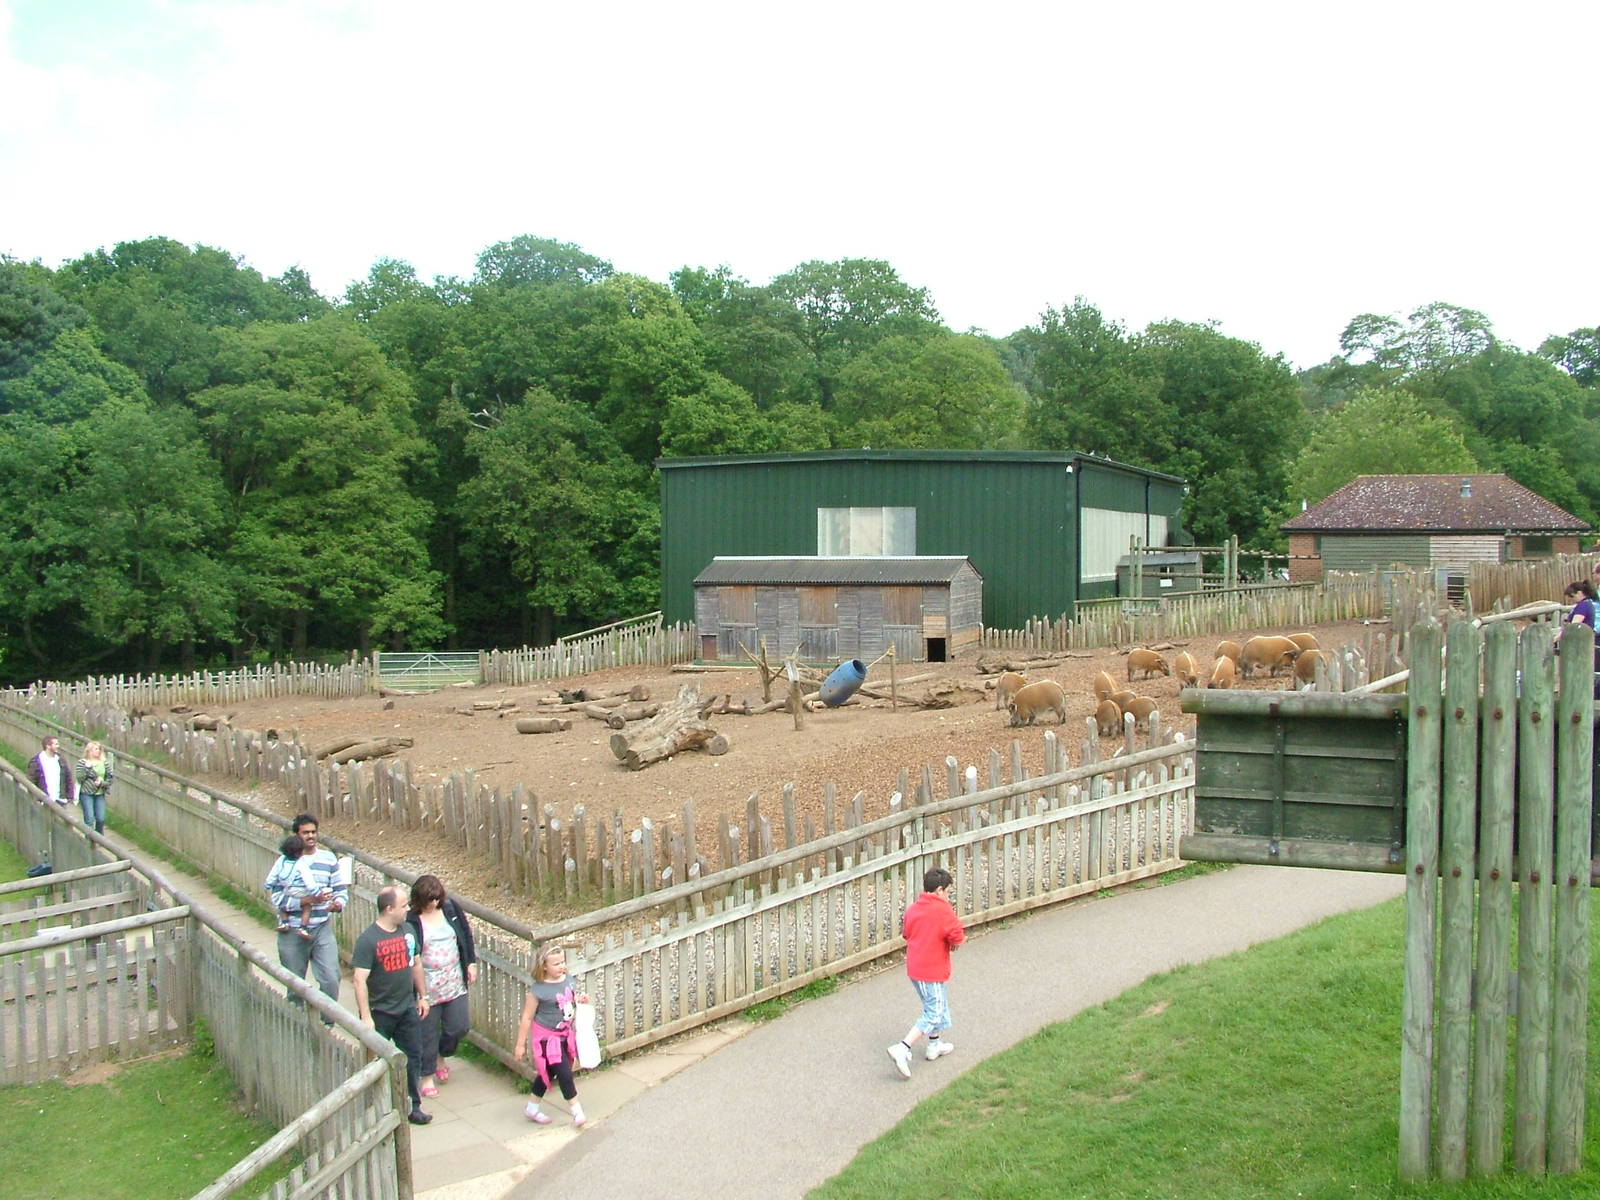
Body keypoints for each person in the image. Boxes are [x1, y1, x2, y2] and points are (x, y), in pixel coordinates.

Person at [353, 885, 433, 1126]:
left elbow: (416, 964)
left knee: (413, 1056)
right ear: (389, 909)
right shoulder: (369, 940)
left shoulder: (408, 931)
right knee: (375, 1061)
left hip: (406, 1007)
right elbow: (359, 980)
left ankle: (412, 1105)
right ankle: (374, 1109)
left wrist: (423, 996)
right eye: (403, 905)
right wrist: (366, 1016)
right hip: (380, 1011)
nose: (408, 909)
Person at [886, 866, 965, 1079]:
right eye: (947, 892)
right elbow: (957, 935)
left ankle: (934, 1044)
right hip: (931, 969)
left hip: (916, 968)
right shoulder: (943, 910)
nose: (948, 896)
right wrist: (952, 942)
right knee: (935, 1011)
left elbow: (907, 933)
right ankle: (903, 1048)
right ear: (940, 890)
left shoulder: (913, 909)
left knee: (937, 1003)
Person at [405, 874, 478, 1098]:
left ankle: (442, 1054)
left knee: (459, 1026)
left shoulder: (450, 908)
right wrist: (418, 992)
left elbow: (465, 934)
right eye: (429, 900)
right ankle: (426, 1077)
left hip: (454, 981)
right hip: (427, 986)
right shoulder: (412, 920)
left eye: (437, 899)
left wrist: (471, 963)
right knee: (427, 1033)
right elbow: (411, 952)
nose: (434, 903)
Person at [263, 813, 347, 1010]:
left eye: (313, 832)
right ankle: (297, 1020)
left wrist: (338, 904)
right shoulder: (285, 863)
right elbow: (277, 897)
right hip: (292, 930)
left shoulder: (328, 859)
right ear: (296, 835)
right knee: (295, 983)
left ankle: (327, 1020)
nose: (310, 836)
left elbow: (340, 889)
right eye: (305, 833)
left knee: (331, 978)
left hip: (321, 928)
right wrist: (305, 901)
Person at [514, 943, 589, 1127]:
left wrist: (580, 1000)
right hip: (547, 1039)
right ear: (544, 966)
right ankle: (577, 1111)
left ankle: (532, 1108)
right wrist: (520, 1045)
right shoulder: (538, 990)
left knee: (548, 1072)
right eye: (556, 964)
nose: (561, 966)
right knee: (564, 1073)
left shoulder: (569, 980)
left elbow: (568, 1001)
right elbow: (527, 1017)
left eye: (562, 962)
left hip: (565, 1034)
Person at [265, 835, 317, 939]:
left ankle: (284, 923)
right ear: (299, 852)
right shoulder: (301, 863)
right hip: (299, 891)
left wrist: (268, 883)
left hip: (287, 889)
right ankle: (303, 928)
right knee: (307, 907)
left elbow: (274, 873)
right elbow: (308, 879)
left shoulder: (281, 860)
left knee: (281, 904)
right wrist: (316, 891)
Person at [75, 741, 113, 833]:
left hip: (100, 793)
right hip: (86, 793)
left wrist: (101, 783)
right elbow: (79, 778)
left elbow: (110, 779)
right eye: (96, 749)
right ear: (89, 750)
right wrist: (87, 769)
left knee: (100, 818)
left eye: (99, 749)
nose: (98, 751)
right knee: (89, 818)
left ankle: (99, 837)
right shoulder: (82, 762)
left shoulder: (104, 763)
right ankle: (89, 838)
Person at [27, 735, 75, 807]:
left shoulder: (61, 760)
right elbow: (31, 781)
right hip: (44, 800)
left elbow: (68, 778)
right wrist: (36, 798)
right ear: (48, 746)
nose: (58, 746)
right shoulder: (36, 761)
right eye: (56, 744)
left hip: (60, 800)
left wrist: (70, 797)